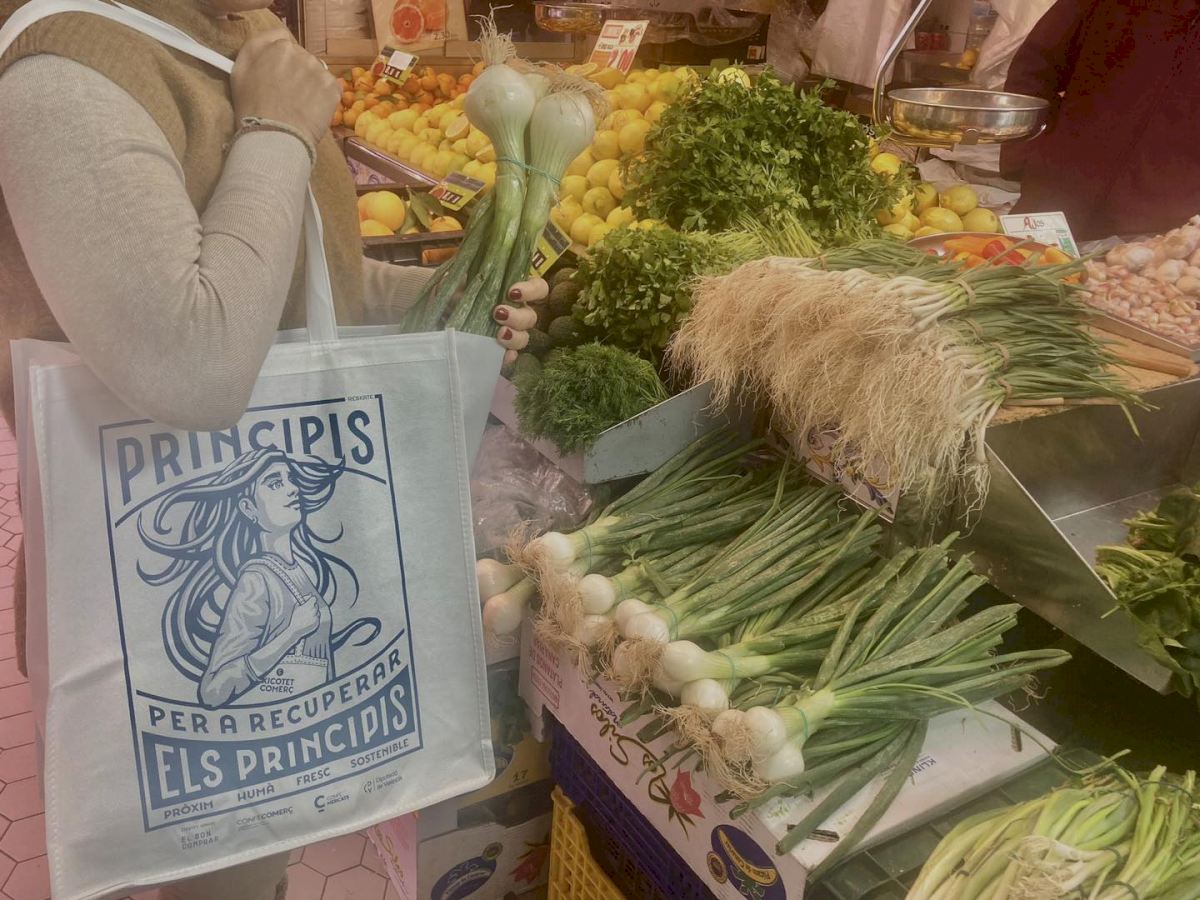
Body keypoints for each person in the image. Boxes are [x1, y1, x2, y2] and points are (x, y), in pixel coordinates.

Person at [0, 1, 538, 897]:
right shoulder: (63, 69)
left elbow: (291, 272)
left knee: (255, 861)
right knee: (176, 863)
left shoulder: (234, 31)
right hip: (136, 619)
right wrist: (278, 128)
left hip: (266, 666)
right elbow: (195, 365)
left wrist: (449, 296)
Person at [1000, 0, 1200, 240]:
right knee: (1009, 262)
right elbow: (1034, 69)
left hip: (1162, 232)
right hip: (1053, 198)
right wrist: (1023, 158)